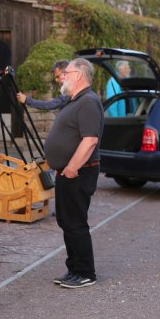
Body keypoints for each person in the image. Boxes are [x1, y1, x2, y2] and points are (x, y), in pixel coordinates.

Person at [44, 58, 104, 289]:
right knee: (66, 221)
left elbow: (90, 141)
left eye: (66, 73)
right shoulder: (75, 100)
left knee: (76, 222)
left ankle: (86, 272)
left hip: (78, 172)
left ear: (79, 75)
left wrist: (71, 168)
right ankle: (74, 269)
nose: (62, 77)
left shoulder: (88, 101)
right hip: (67, 173)